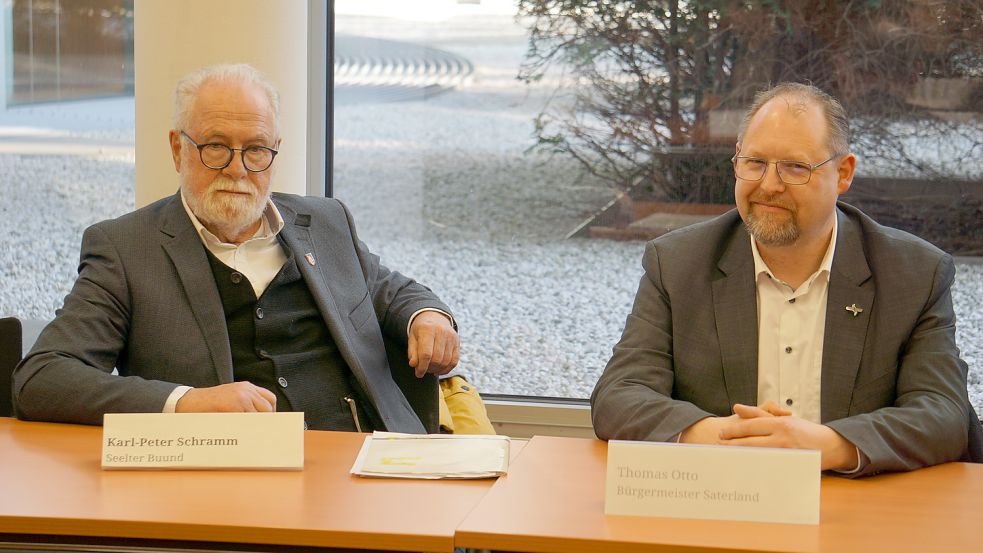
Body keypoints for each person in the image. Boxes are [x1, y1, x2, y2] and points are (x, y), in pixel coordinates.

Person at [13, 63, 459, 433]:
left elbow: (389, 291)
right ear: (177, 149)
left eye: (256, 150)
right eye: (215, 148)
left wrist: (428, 316)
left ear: (275, 152)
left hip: (367, 460)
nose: (238, 170)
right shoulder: (127, 249)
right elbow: (42, 378)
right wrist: (186, 403)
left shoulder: (325, 221)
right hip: (227, 477)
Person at [591, 82, 978, 476]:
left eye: (795, 167)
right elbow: (618, 398)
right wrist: (719, 436)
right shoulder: (677, 264)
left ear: (843, 174)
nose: (769, 185)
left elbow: (944, 415)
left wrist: (827, 445)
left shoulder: (913, 274)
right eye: (755, 162)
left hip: (857, 510)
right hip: (720, 497)